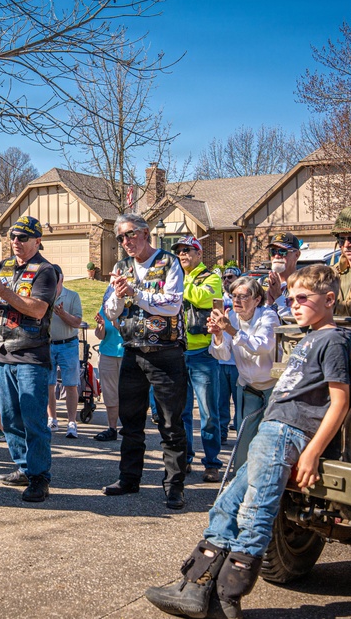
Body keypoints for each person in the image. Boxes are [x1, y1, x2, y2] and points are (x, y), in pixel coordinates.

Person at [146, 265, 351, 618]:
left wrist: (312, 452)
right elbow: (227, 356)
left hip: (288, 431)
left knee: (257, 512)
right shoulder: (311, 336)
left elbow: (340, 400)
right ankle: (195, 587)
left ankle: (227, 598)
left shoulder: (332, 340)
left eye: (303, 298)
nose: (295, 304)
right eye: (291, 298)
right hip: (272, 426)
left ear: (330, 299)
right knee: (227, 503)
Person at [102, 214, 189, 510]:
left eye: (130, 235)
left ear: (146, 233)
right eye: (121, 238)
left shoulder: (168, 262)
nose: (126, 242)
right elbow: (112, 312)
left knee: (169, 422)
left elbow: (173, 303)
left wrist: (136, 294)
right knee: (131, 421)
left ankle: (174, 486)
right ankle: (129, 479)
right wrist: (117, 294)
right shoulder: (121, 266)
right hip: (132, 350)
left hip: (165, 352)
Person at [0, 215, 57, 502]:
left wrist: (2, 291)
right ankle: (23, 467)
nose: (16, 242)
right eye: (12, 237)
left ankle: (39, 478)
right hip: (3, 353)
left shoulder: (45, 270)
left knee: (33, 419)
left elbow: (37, 309)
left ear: (37, 241)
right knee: (9, 418)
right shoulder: (4, 266)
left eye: (23, 237)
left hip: (31, 354)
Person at [207, 275, 279, 473]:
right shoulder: (230, 318)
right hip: (247, 386)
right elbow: (221, 354)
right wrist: (218, 334)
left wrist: (230, 330)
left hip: (272, 387)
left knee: (270, 439)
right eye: (233, 295)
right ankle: (240, 482)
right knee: (243, 438)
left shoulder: (268, 316)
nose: (237, 300)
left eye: (243, 296)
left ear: (257, 299)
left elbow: (261, 346)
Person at [174, 234, 225, 483]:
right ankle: (185, 459)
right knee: (182, 413)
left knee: (208, 414)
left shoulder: (212, 277)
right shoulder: (177, 276)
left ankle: (212, 463)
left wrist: (179, 282)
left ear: (198, 254)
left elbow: (202, 298)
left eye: (188, 250)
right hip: (178, 352)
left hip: (203, 354)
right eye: (180, 251)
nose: (183, 255)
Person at [46, 265, 84, 438]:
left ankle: (71, 422)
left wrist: (62, 314)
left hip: (68, 345)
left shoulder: (72, 296)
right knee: (49, 385)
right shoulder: (43, 295)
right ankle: (52, 419)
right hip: (47, 345)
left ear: (61, 278)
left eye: (55, 277)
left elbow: (77, 322)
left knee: (70, 384)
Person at [92, 298, 124, 442]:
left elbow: (136, 334)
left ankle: (130, 428)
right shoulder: (105, 307)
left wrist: (118, 326)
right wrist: (101, 325)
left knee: (129, 394)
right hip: (107, 355)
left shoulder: (132, 306)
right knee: (110, 395)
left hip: (128, 355)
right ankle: (112, 429)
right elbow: (100, 336)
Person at [217, 266, 242, 442]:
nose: (226, 280)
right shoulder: (219, 300)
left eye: (230, 277)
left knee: (240, 403)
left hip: (238, 363)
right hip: (221, 361)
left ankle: (241, 435)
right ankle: (222, 433)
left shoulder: (243, 305)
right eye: (224, 277)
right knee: (221, 402)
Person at [262, 232, 301, 319]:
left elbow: (298, 321)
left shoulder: (304, 284)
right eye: (273, 251)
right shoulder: (261, 283)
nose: (277, 256)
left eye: (282, 251)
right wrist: (267, 304)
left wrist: (278, 297)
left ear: (297, 255)